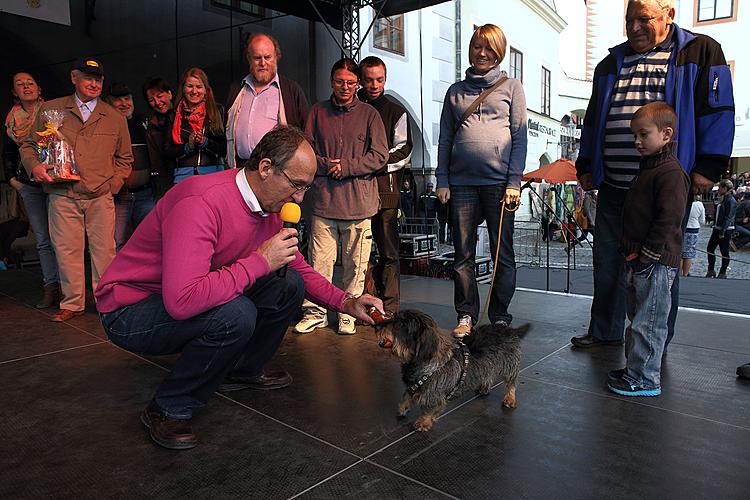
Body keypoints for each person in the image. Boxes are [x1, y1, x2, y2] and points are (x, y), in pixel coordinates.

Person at [95, 126, 384, 450]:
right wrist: (260, 261)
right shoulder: (201, 202)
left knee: (288, 283)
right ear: (265, 168)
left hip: (186, 290)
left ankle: (243, 370)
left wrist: (346, 301)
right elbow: (181, 301)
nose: (300, 199)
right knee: (235, 315)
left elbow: (295, 265)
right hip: (130, 309)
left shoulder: (268, 206)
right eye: (296, 186)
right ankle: (168, 407)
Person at [571, 0, 734, 348]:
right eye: (629, 19)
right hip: (614, 183)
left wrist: (710, 165)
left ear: (669, 15)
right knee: (607, 264)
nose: (634, 27)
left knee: (659, 269)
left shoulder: (701, 51)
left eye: (643, 19)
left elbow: (718, 110)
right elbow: (595, 119)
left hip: (663, 187)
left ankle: (654, 343)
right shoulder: (609, 62)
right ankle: (605, 332)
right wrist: (585, 164)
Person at [19, 57, 133, 322]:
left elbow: (125, 158)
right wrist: (35, 167)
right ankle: (72, 303)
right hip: (63, 193)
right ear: (74, 78)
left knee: (104, 251)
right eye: (87, 78)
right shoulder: (51, 110)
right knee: (66, 249)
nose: (93, 84)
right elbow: (28, 146)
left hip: (100, 194)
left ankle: (105, 301)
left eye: (98, 79)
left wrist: (113, 185)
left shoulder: (114, 117)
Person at [436, 23, 527, 337]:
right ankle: (466, 315)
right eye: (477, 46)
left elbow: (520, 137)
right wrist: (441, 179)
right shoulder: (454, 91)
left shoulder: (512, 87)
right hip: (461, 184)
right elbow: (445, 139)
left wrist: (514, 181)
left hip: (499, 185)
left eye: (489, 48)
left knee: (503, 253)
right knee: (463, 254)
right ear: (471, 48)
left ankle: (500, 314)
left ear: (499, 51)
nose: (483, 53)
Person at [294, 58, 388, 335]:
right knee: (318, 264)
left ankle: (349, 314)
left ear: (357, 83)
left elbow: (380, 155)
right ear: (331, 81)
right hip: (323, 202)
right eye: (339, 81)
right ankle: (315, 312)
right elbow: (306, 150)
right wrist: (326, 165)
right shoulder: (317, 112)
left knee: (355, 267)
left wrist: (346, 167)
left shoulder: (370, 114)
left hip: (359, 204)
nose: (345, 87)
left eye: (350, 82)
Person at [608, 102, 688, 397]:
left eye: (643, 135)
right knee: (640, 319)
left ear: (666, 134)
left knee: (649, 322)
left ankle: (645, 379)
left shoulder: (670, 173)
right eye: (635, 136)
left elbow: (669, 219)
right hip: (640, 260)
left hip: (654, 262)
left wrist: (649, 256)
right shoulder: (651, 169)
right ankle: (635, 371)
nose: (637, 142)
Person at [357, 56, 413, 316]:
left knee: (389, 252)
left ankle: (389, 308)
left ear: (385, 78)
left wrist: (371, 164)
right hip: (355, 193)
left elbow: (404, 151)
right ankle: (363, 305)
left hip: (386, 194)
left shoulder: (395, 111)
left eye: (379, 79)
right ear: (361, 79)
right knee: (359, 253)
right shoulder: (351, 107)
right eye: (369, 79)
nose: (374, 84)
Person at [3, 71, 60, 307]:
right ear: (14, 92)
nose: (26, 87)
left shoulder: (53, 113)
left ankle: (70, 287)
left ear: (38, 89)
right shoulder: (11, 121)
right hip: (28, 185)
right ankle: (51, 286)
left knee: (63, 237)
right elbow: (7, 153)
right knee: (43, 239)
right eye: (20, 84)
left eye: (30, 83)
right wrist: (12, 180)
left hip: (55, 183)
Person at [226, 32, 309, 169]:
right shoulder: (237, 90)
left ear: (277, 56)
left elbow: (306, 133)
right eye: (257, 58)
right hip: (239, 169)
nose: (263, 63)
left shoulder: (291, 90)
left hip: (276, 171)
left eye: (268, 57)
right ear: (248, 59)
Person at [105, 83, 156, 250]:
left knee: (149, 241)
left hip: (146, 194)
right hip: (120, 197)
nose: (123, 103)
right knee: (117, 243)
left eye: (127, 99)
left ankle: (143, 277)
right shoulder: (105, 127)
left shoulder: (144, 122)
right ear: (108, 102)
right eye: (117, 100)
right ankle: (118, 277)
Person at [163, 68, 225, 184]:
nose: (194, 91)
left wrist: (205, 142)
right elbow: (167, 152)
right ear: (183, 89)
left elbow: (224, 149)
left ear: (205, 90)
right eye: (190, 86)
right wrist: (188, 146)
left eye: (199, 87)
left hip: (212, 174)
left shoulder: (217, 111)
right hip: (183, 175)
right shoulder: (173, 115)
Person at [142, 77, 174, 198]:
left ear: (170, 94)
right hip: (163, 183)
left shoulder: (185, 117)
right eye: (151, 99)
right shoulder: (151, 125)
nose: (157, 102)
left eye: (160, 96)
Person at [705, 179, 737, 279]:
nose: (718, 189)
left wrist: (723, 230)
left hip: (725, 229)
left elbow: (729, 217)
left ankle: (723, 272)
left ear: (725, 188)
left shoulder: (731, 200)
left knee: (724, 251)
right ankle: (711, 270)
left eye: (720, 187)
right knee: (710, 248)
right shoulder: (722, 198)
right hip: (717, 227)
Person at [680, 194, 705, 276]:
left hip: (683, 227)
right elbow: (702, 220)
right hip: (694, 228)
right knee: (689, 253)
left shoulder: (683, 202)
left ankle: (679, 273)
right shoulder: (700, 205)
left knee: (680, 252)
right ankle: (685, 273)